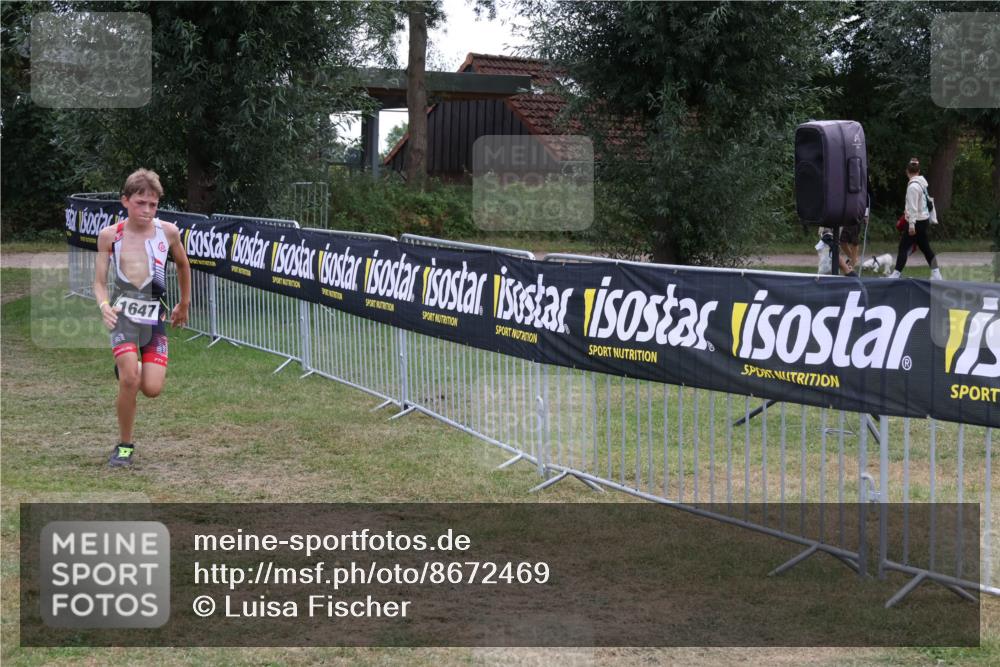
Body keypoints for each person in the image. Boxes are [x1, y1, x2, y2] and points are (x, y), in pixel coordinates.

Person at [94, 169, 191, 467]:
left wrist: (183, 304)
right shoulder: (111, 235)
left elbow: (183, 266)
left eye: (153, 204)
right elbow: (98, 281)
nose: (147, 210)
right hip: (123, 318)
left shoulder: (168, 232)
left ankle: (132, 369)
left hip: (154, 320)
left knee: (152, 388)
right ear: (125, 201)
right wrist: (104, 306)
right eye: (140, 203)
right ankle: (125, 446)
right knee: (128, 380)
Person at [890, 158, 941, 280]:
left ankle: (896, 274)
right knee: (925, 248)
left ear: (907, 171)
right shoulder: (922, 183)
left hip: (915, 222)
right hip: (923, 221)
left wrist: (911, 225)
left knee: (903, 247)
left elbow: (913, 208)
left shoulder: (912, 187)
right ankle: (936, 274)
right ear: (918, 171)